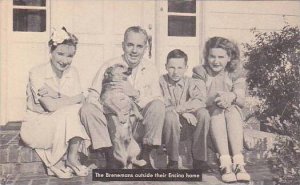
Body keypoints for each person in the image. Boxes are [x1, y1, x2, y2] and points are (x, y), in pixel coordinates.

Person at [80, 26, 165, 169]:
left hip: (137, 124)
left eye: (139, 46)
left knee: (158, 105)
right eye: (130, 45)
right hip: (112, 126)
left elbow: (158, 99)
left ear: (145, 48)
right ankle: (110, 155)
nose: (134, 50)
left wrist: (135, 94)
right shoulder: (110, 66)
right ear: (123, 45)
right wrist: (110, 109)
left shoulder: (150, 69)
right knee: (87, 109)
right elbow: (93, 95)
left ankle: (145, 155)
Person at [20, 27, 91, 178]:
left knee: (74, 110)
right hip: (37, 128)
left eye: (70, 56)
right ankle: (60, 160)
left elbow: (81, 103)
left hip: (61, 123)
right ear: (50, 51)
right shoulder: (37, 72)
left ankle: (70, 159)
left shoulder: (73, 72)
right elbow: (50, 106)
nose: (65, 61)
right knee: (72, 110)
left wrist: (56, 94)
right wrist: (73, 98)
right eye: (60, 53)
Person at [192, 37, 251, 182]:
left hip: (232, 118)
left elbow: (241, 100)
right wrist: (219, 97)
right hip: (211, 120)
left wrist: (231, 95)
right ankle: (225, 164)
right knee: (218, 112)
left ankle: (238, 163)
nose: (216, 61)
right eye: (212, 56)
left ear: (229, 57)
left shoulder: (236, 72)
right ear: (207, 56)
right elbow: (199, 99)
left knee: (232, 110)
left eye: (221, 57)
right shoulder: (200, 71)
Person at [160, 49, 210, 169]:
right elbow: (162, 105)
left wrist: (182, 110)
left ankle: (199, 159)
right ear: (166, 66)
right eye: (172, 67)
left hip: (187, 125)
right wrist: (181, 112)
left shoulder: (190, 81)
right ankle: (173, 160)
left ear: (186, 67)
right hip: (166, 126)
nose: (176, 72)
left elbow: (200, 100)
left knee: (203, 114)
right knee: (170, 116)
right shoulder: (161, 81)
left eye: (180, 68)